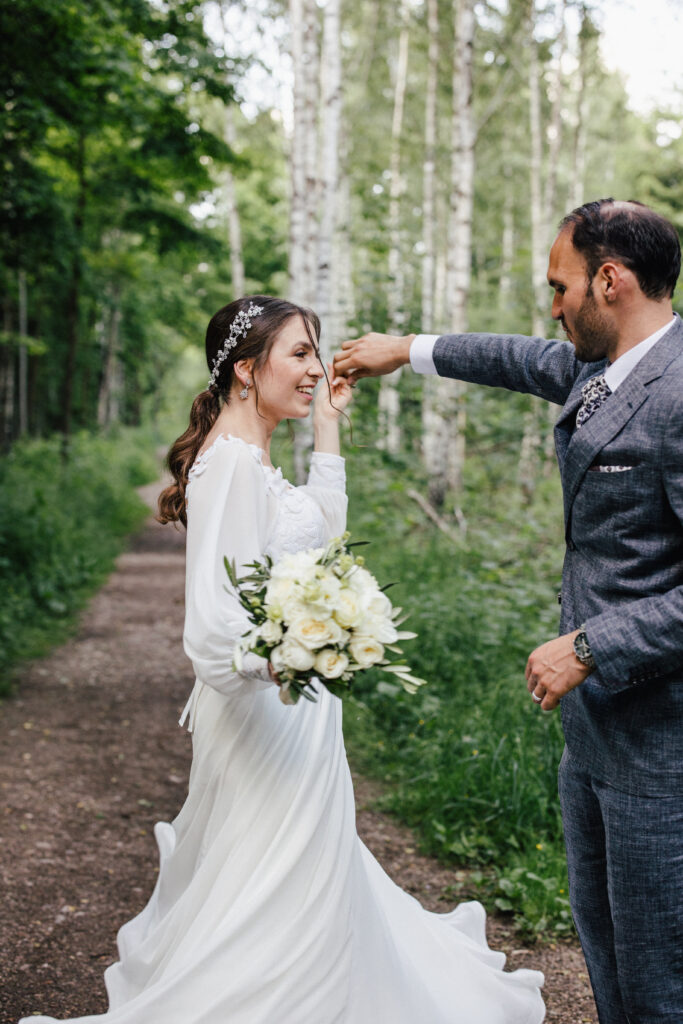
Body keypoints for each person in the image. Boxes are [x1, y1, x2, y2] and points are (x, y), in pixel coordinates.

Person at [20, 295, 545, 1024]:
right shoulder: (230, 464)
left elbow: (319, 531)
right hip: (267, 710)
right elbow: (208, 633)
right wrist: (300, 656)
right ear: (245, 368)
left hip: (297, 708)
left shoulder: (253, 455)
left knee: (305, 873)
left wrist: (327, 424)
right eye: (299, 353)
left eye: (315, 350)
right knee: (273, 881)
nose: (315, 367)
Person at [333, 199, 683, 1024]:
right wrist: (405, 351)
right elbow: (513, 358)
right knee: (605, 950)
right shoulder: (599, 369)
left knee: (659, 970)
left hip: (662, 746)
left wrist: (592, 644)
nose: (551, 305)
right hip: (593, 734)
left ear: (610, 279)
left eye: (559, 286)